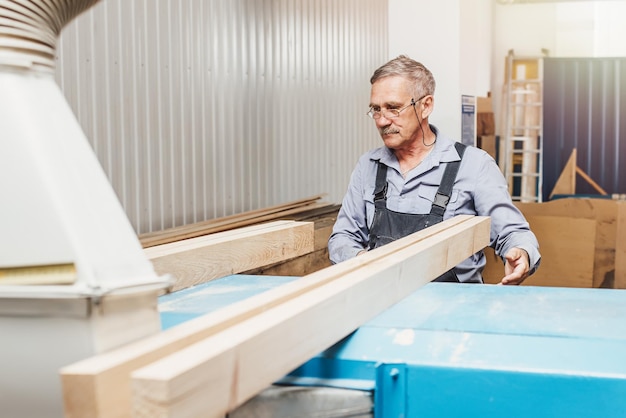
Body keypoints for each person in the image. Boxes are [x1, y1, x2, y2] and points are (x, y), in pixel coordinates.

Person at [328, 55, 540, 284]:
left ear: (426, 105)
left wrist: (521, 251)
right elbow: (343, 237)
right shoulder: (368, 166)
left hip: (452, 311)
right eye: (376, 110)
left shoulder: (474, 165)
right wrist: (366, 263)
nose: (381, 121)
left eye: (393, 108)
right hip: (382, 302)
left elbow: (512, 231)